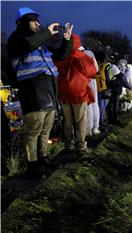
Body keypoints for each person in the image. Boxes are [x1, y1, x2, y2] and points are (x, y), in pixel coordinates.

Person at [7, 7, 73, 177]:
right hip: (32, 93)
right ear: (23, 22)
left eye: (38, 21)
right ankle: (32, 165)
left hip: (48, 92)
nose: (37, 24)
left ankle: (43, 157)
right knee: (33, 131)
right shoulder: (17, 40)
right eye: (33, 21)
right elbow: (27, 45)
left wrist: (67, 41)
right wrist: (47, 32)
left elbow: (60, 56)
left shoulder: (39, 43)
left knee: (46, 129)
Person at [55, 34, 97, 155]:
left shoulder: (61, 57)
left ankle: (69, 144)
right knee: (81, 121)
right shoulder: (83, 57)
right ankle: (82, 146)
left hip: (64, 92)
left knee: (67, 121)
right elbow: (93, 72)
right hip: (79, 93)